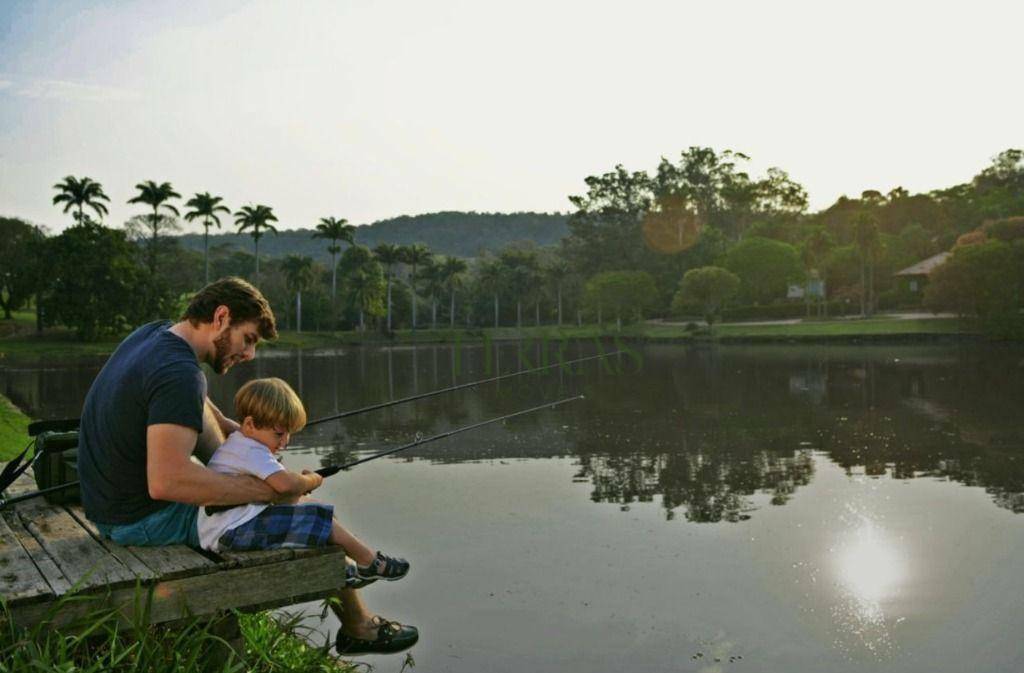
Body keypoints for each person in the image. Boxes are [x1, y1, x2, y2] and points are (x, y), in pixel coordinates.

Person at [77, 277, 418, 655]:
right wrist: (270, 489)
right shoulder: (179, 374)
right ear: (222, 317)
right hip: (138, 519)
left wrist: (238, 433)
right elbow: (167, 483)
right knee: (300, 515)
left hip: (109, 503)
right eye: (249, 338)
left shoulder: (157, 337)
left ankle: (356, 621)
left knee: (287, 500)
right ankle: (358, 627)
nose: (250, 354)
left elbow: (200, 405)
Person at [198, 377, 410, 593]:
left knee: (310, 505)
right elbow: (286, 484)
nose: (285, 442)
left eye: (288, 433)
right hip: (233, 533)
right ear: (250, 425)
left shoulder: (241, 442)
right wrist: (312, 480)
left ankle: (347, 568)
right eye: (279, 433)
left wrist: (299, 491)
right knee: (318, 518)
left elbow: (286, 492)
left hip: (229, 528)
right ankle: (369, 562)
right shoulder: (252, 450)